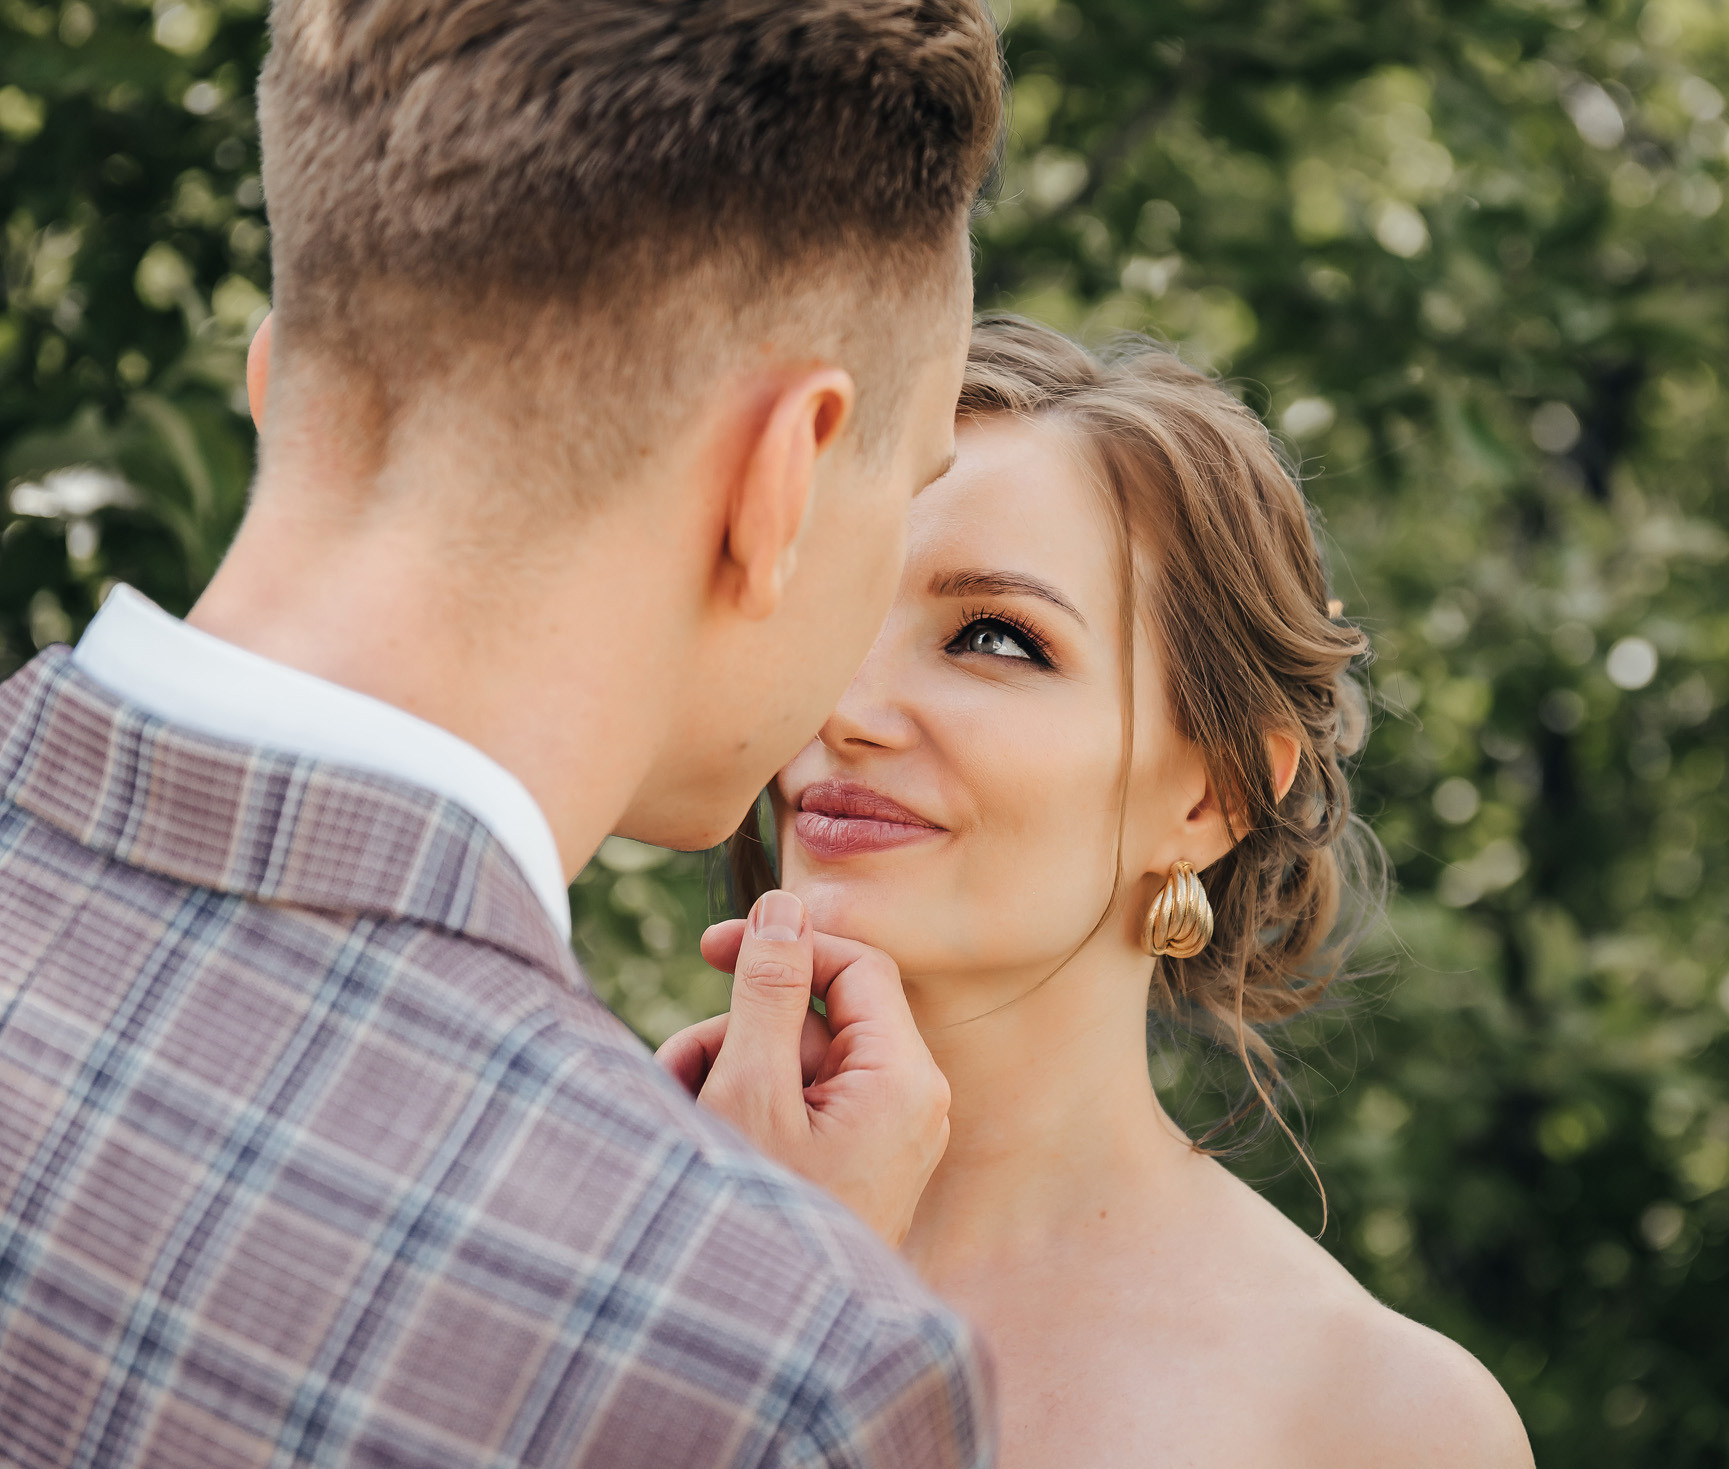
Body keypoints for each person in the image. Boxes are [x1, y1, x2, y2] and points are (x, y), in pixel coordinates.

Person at [0, 2, 1005, 1465]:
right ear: (780, 477)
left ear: (286, 380)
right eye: (905, 486)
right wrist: (751, 1300)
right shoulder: (790, 1367)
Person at [661, 318, 1535, 1468]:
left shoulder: (1376, 1419)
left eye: (993, 637)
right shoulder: (584, 1215)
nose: (846, 705)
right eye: (838, 607)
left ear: (1212, 792)